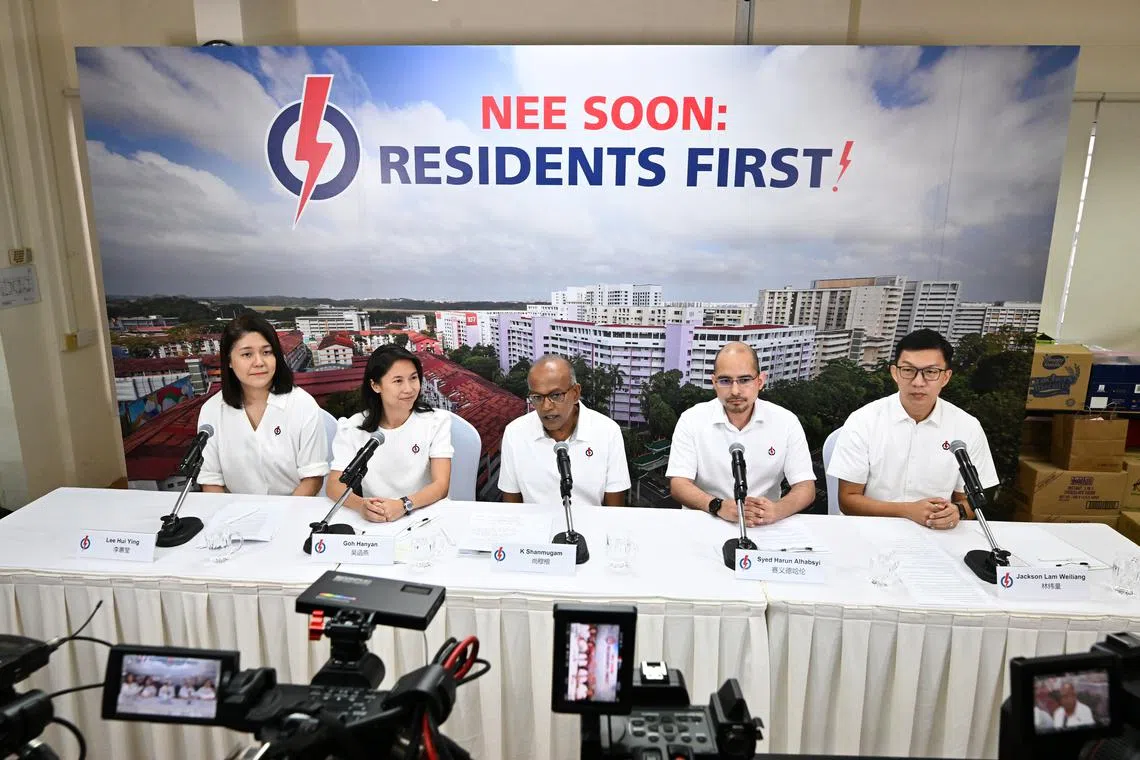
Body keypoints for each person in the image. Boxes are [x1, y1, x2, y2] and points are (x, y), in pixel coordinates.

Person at [826, 329, 999, 529]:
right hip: (871, 529)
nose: (918, 382)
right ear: (895, 373)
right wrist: (907, 511)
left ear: (945, 377)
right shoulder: (863, 421)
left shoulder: (967, 427)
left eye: (931, 372)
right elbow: (848, 501)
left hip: (937, 532)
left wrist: (957, 511)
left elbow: (970, 501)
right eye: (908, 370)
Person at [667, 342, 816, 526]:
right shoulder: (692, 419)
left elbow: (805, 487)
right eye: (725, 381)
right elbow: (679, 484)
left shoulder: (785, 421)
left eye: (744, 380)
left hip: (765, 524)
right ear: (714, 382)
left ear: (760, 381)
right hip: (705, 519)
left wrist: (777, 510)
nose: (735, 391)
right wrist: (717, 506)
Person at [198, 313, 329, 496]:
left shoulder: (302, 404)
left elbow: (312, 478)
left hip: (295, 510)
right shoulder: (212, 410)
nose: (259, 362)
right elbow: (211, 480)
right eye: (247, 354)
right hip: (236, 514)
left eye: (267, 352)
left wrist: (282, 521)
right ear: (229, 360)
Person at [328, 345, 452, 522]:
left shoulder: (436, 422)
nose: (409, 389)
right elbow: (334, 485)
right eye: (398, 381)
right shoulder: (353, 427)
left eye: (413, 378)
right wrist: (361, 505)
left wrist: (403, 505)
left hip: (425, 515)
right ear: (376, 385)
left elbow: (441, 485)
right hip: (377, 520)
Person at [499, 355, 630, 506]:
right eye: (537, 397)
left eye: (556, 395)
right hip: (535, 528)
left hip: (592, 528)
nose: (546, 406)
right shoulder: (514, 434)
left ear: (575, 393)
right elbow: (511, 507)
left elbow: (614, 510)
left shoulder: (608, 432)